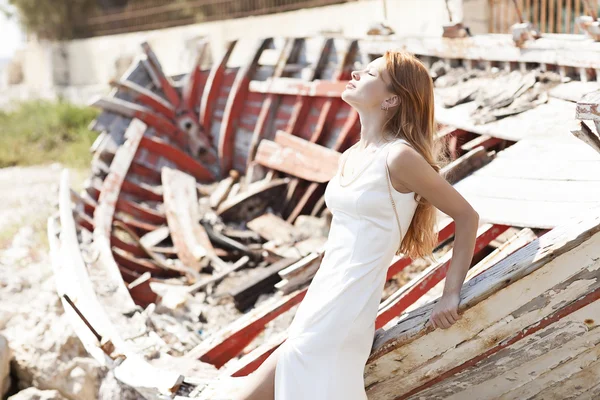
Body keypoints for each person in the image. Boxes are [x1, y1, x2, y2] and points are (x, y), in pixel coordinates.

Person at [219, 50, 479, 400]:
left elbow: (466, 216)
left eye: (370, 74)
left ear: (391, 99)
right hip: (321, 299)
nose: (356, 73)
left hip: (346, 308)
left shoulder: (399, 157)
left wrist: (450, 294)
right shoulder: (352, 155)